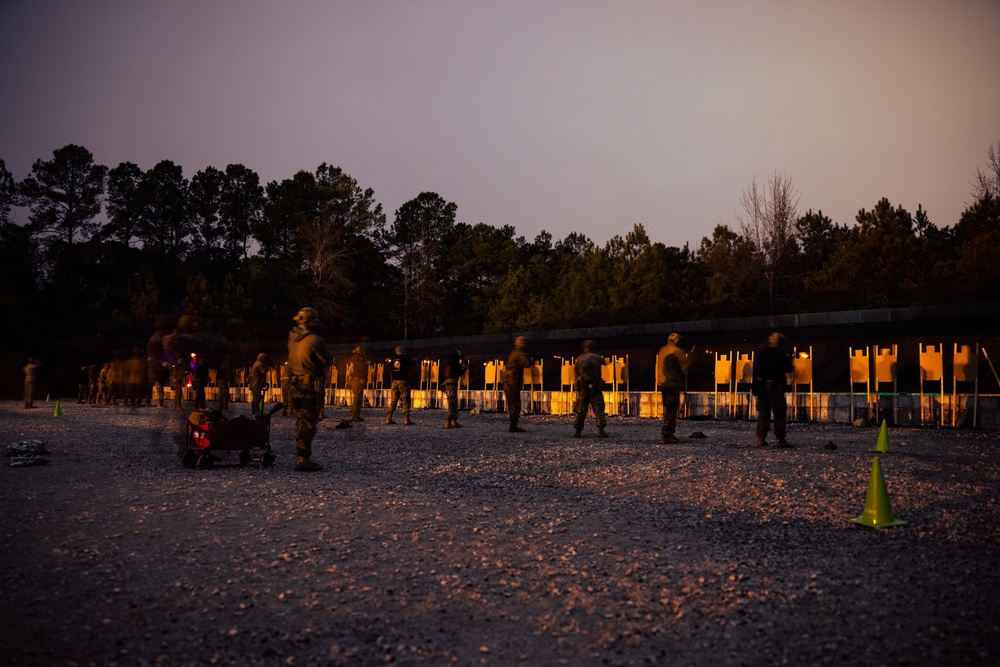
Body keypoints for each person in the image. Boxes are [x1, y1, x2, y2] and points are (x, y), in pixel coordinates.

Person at [287, 307, 333, 472]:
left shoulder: (292, 338)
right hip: (309, 385)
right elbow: (327, 360)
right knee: (309, 422)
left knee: (301, 419)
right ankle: (303, 458)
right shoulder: (314, 339)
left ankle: (301, 454)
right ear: (310, 321)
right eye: (315, 320)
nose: (317, 322)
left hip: (295, 384)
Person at [753, 331, 794, 447]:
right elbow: (788, 368)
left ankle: (761, 438)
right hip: (776, 387)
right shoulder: (781, 353)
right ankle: (781, 439)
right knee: (779, 413)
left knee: (763, 414)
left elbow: (759, 369)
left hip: (763, 388)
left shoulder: (764, 353)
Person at [656, 333, 689, 443]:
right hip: (673, 384)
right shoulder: (677, 352)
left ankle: (670, 432)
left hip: (663, 384)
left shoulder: (662, 350)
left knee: (668, 408)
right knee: (672, 410)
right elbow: (685, 367)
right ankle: (666, 434)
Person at [573, 340, 607, 438]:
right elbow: (605, 367)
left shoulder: (579, 358)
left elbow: (576, 374)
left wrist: (577, 387)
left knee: (581, 409)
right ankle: (601, 430)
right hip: (595, 386)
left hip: (583, 386)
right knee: (599, 408)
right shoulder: (598, 358)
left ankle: (578, 431)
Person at [503, 336, 532, 433]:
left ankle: (513, 425)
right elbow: (527, 363)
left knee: (513, 403)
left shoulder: (515, 352)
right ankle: (513, 425)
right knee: (515, 404)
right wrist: (532, 358)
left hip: (509, 381)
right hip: (512, 381)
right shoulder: (519, 353)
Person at [385, 346, 414, 425]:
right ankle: (406, 419)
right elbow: (412, 364)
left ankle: (389, 418)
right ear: (403, 351)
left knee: (393, 400)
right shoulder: (404, 359)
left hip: (394, 381)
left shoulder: (392, 359)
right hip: (403, 381)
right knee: (406, 400)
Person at [442, 349, 467, 429]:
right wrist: (464, 367)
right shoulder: (454, 364)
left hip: (449, 384)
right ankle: (448, 421)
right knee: (452, 404)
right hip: (452, 384)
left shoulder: (449, 363)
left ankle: (454, 420)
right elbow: (460, 372)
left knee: (453, 403)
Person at [347, 346, 369, 422]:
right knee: (357, 398)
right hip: (357, 379)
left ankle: (356, 415)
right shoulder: (358, 359)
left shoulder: (353, 358)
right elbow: (360, 370)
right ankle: (354, 415)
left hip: (355, 379)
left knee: (358, 398)